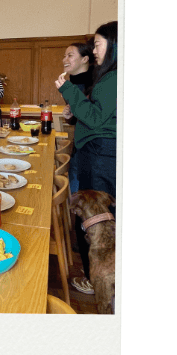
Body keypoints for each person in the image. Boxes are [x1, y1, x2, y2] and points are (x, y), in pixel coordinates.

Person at [55, 20, 118, 294]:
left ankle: (98, 280)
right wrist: (75, 113)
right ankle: (98, 275)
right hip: (97, 151)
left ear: (113, 45)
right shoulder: (108, 75)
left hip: (100, 154)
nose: (94, 50)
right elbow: (96, 114)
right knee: (99, 218)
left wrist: (67, 91)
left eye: (97, 44)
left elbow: (94, 117)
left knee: (97, 219)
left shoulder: (113, 77)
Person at [59, 41, 95, 194]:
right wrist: (70, 116)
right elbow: (79, 116)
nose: (64, 59)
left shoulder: (95, 84)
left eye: (70, 55)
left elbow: (92, 117)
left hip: (92, 149)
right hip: (79, 145)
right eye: (64, 56)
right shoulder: (72, 83)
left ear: (85, 59)